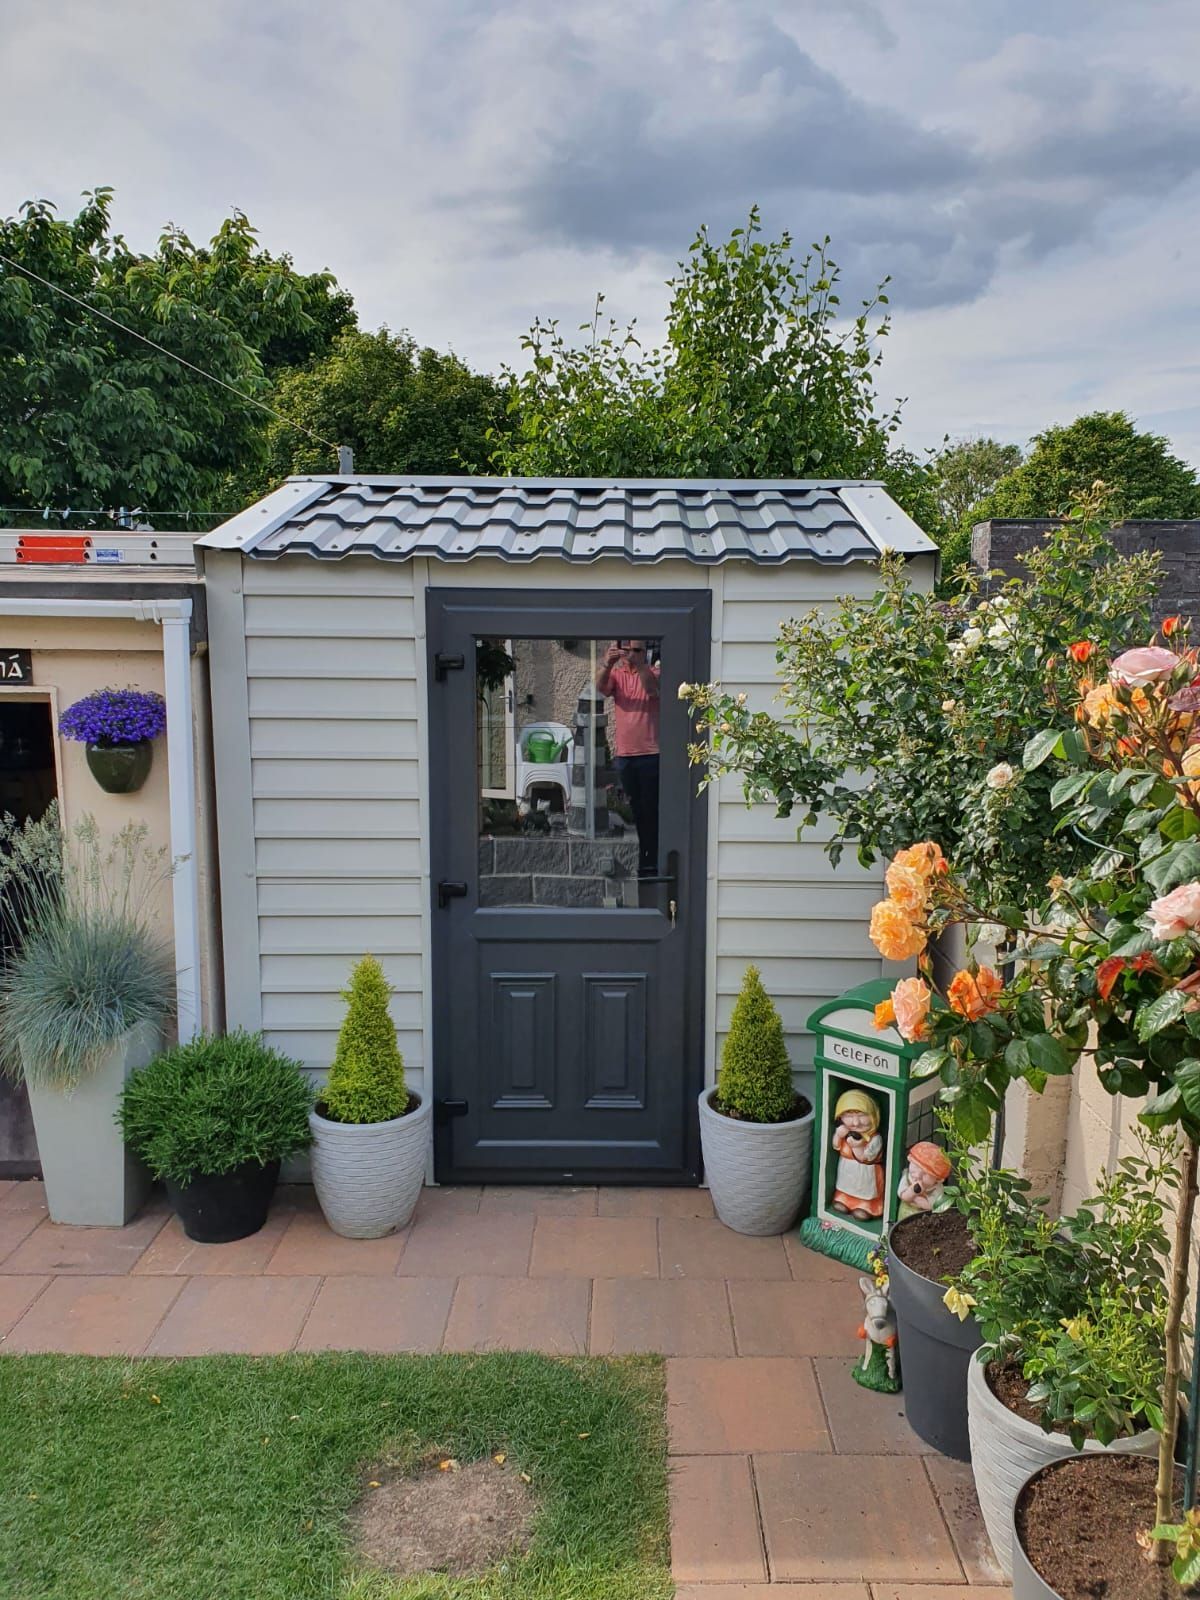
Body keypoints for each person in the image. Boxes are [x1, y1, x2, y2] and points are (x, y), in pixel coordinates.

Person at [596, 639, 660, 875]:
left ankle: (650, 861)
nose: (630, 654)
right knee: (633, 809)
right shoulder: (618, 674)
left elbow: (651, 690)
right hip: (626, 755)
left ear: (645, 652)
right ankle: (638, 858)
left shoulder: (653, 671)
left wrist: (641, 664)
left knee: (650, 810)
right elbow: (600, 689)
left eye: (636, 650)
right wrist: (607, 663)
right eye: (628, 650)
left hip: (651, 754)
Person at [830, 1088, 885, 1220]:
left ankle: (865, 1207)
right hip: (847, 1170)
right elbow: (836, 1146)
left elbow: (864, 1158)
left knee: (864, 1191)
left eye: (862, 1116)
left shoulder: (875, 1139)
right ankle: (844, 1201)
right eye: (849, 1116)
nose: (855, 1122)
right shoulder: (845, 1132)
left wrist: (857, 1146)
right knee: (846, 1187)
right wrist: (838, 1135)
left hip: (866, 1172)